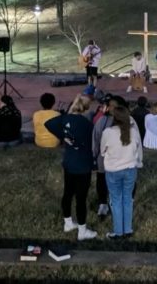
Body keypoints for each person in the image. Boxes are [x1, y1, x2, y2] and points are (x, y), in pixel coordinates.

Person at [44, 97, 98, 240]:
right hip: (83, 165)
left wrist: (64, 136)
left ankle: (68, 223)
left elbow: (48, 124)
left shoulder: (64, 118)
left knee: (67, 193)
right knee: (81, 198)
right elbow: (92, 145)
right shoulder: (87, 124)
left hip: (69, 163)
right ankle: (82, 230)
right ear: (86, 108)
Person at [100, 105, 143, 239]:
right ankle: (127, 229)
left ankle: (119, 232)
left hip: (113, 171)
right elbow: (139, 150)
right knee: (127, 199)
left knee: (116, 200)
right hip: (130, 170)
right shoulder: (134, 132)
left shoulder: (108, 132)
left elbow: (102, 151)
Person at [93, 96, 119, 218]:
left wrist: (94, 156)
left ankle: (103, 204)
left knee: (101, 181)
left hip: (103, 160)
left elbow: (96, 142)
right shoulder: (123, 122)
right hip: (118, 160)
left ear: (107, 108)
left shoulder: (100, 121)